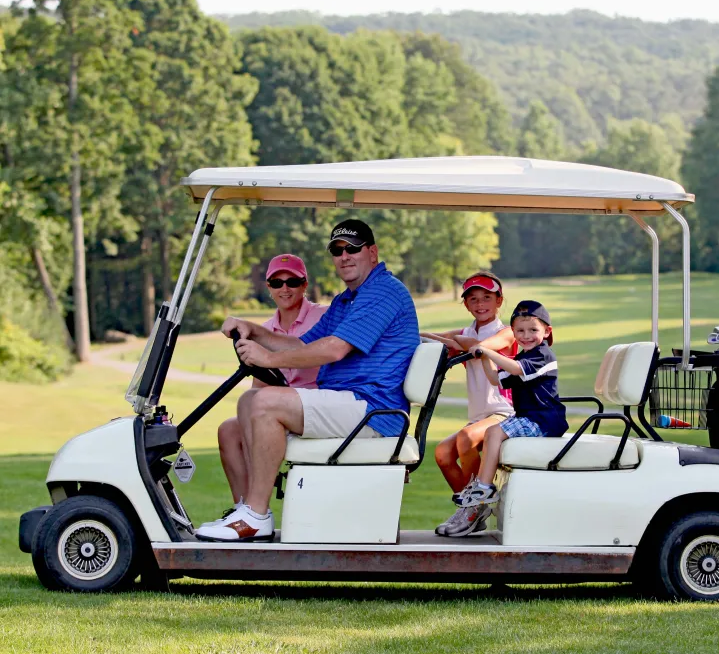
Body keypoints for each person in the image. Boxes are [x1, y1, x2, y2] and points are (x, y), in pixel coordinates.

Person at [196, 219, 420, 543]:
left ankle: (256, 515)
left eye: (352, 248)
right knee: (248, 401)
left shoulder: (383, 291)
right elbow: (302, 344)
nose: (344, 256)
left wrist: (268, 358)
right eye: (337, 250)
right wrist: (252, 329)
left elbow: (334, 349)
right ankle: (250, 510)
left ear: (372, 252)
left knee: (263, 402)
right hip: (350, 402)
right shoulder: (348, 300)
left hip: (373, 409)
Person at [435, 300, 568, 537]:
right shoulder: (525, 356)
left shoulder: (542, 355)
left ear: (547, 331)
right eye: (520, 331)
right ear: (514, 332)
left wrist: (486, 350)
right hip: (530, 417)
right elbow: (496, 380)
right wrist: (486, 357)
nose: (526, 336)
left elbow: (516, 369)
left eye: (533, 330)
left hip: (543, 420)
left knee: (493, 432)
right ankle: (481, 491)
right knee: (492, 433)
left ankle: (483, 488)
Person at [215, 253, 327, 510]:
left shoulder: (323, 318)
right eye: (277, 283)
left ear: (305, 284)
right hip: (279, 411)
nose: (285, 288)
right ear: (268, 287)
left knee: (254, 403)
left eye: (292, 282)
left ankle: (257, 508)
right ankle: (242, 509)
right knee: (229, 430)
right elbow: (260, 388)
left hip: (314, 408)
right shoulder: (263, 331)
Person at [420, 272, 516, 535]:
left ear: (499, 301)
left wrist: (457, 342)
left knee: (465, 438)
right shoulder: (465, 333)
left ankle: (473, 508)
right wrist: (446, 340)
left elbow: (483, 347)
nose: (480, 303)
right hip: (480, 417)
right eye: (473, 299)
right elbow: (429, 336)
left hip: (506, 414)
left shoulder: (507, 332)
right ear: (465, 304)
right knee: (442, 452)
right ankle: (472, 509)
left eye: (487, 297)